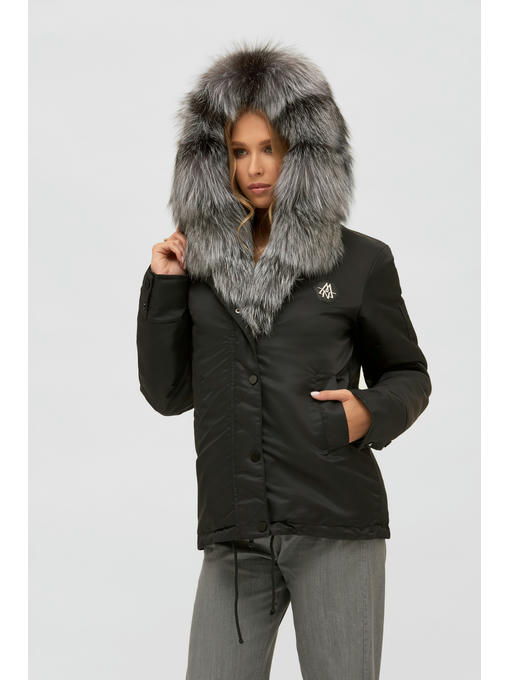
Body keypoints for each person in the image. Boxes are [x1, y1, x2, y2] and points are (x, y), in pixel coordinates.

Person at [136, 41, 432, 680]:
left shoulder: (361, 261)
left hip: (335, 526)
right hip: (234, 537)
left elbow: (409, 374)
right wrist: (165, 286)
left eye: (270, 148)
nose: (255, 167)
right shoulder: (197, 268)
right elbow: (168, 392)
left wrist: (368, 413)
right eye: (238, 151)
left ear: (304, 151)